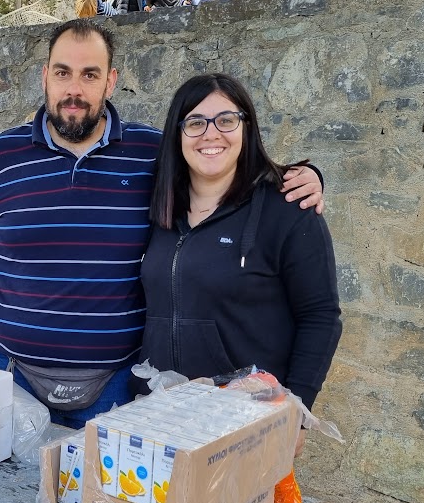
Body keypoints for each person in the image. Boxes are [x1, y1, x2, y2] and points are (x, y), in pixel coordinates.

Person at [0, 18, 323, 503]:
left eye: (90, 75)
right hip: (6, 366)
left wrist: (304, 176)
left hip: (112, 377)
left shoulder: (153, 154)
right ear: (45, 77)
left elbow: (225, 169)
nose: (75, 88)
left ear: (111, 82)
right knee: (12, 497)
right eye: (63, 72)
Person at [135, 71, 342, 459]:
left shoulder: (288, 209)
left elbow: (320, 317)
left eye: (226, 120)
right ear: (178, 134)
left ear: (247, 126)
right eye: (195, 122)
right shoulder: (157, 208)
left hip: (245, 422)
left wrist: (297, 412)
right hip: (160, 414)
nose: (211, 134)